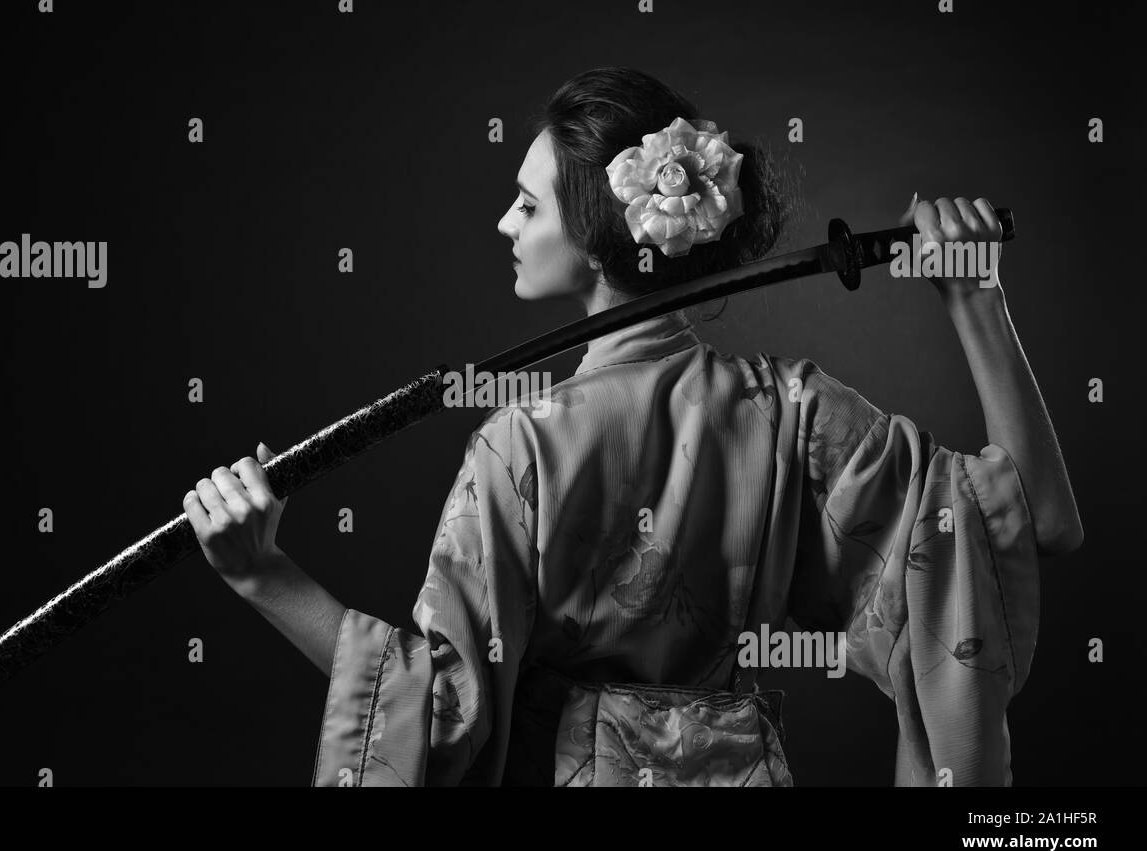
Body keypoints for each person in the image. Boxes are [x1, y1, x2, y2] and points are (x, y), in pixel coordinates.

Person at [181, 67, 1083, 787]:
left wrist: (264, 577)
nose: (506, 222)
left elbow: (441, 719)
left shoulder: (520, 447)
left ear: (605, 229)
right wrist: (976, 298)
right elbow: (1037, 524)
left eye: (529, 205)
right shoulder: (795, 412)